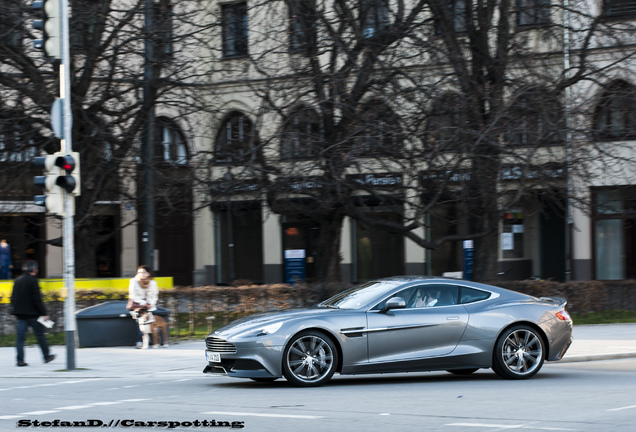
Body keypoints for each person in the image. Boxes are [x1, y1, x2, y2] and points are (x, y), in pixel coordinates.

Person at [10, 260, 55, 367]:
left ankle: (20, 360)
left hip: (20, 315)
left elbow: (13, 298)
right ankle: (47, 356)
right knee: (40, 336)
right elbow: (37, 299)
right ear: (34, 270)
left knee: (20, 338)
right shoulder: (33, 281)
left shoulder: (17, 280)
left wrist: (15, 311)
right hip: (33, 315)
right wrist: (44, 313)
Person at [128, 265, 159, 348]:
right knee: (140, 322)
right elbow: (132, 295)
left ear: (148, 273)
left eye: (144, 272)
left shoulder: (153, 283)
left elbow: (155, 296)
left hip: (149, 306)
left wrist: (150, 304)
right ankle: (140, 341)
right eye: (139, 272)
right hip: (138, 306)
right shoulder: (133, 281)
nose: (141, 274)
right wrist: (143, 303)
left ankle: (153, 341)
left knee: (150, 323)